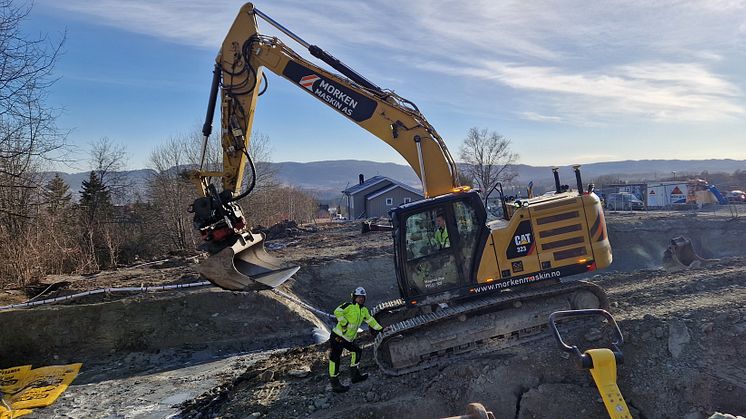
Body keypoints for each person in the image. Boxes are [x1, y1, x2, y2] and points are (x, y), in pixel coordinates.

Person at [328, 286, 383, 393]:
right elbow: (337, 311)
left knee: (357, 351)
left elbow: (371, 321)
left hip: (348, 339)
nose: (361, 299)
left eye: (363, 297)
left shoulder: (363, 310)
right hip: (338, 336)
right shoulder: (348, 306)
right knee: (335, 358)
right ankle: (335, 384)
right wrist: (344, 322)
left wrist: (381, 329)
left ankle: (355, 376)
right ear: (354, 297)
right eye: (359, 297)